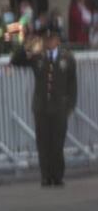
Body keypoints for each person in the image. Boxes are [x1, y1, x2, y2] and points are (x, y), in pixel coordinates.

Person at [10, 24, 77, 186]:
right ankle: (46, 176)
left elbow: (72, 85)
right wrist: (28, 42)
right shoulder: (37, 56)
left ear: (57, 40)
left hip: (59, 107)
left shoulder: (67, 58)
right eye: (46, 39)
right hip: (41, 107)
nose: (49, 42)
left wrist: (70, 106)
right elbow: (15, 60)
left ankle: (58, 176)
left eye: (52, 39)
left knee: (57, 143)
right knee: (43, 143)